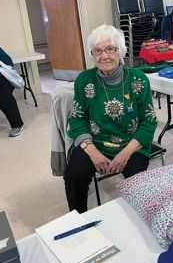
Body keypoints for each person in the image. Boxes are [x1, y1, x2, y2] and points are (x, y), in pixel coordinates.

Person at [64, 24, 158, 213]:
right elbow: (77, 120)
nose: (103, 55)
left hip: (132, 145)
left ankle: (137, 221)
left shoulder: (138, 79)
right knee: (73, 176)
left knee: (138, 182)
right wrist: (93, 152)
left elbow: (149, 122)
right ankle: (77, 219)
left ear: (120, 51)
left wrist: (125, 154)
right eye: (97, 50)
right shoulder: (84, 80)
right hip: (95, 142)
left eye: (110, 49)